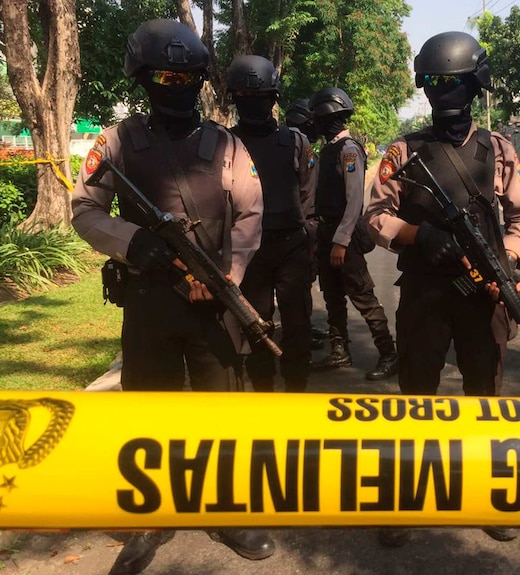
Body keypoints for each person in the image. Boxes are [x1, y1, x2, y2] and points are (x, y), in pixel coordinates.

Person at [71, 20, 275, 575]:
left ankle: (226, 509)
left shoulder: (226, 143)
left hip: (215, 300)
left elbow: (252, 214)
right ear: (144, 77)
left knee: (220, 410)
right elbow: (84, 210)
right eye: (165, 73)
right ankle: (149, 516)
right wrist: (134, 243)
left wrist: (226, 273)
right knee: (149, 409)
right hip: (149, 299)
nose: (177, 83)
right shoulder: (116, 141)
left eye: (187, 74)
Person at [367, 31, 520, 546]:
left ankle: (486, 491)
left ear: (475, 84)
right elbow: (374, 217)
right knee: (417, 394)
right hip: (424, 289)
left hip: (484, 290)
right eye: (438, 84)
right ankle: (406, 500)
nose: (448, 94)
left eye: (456, 83)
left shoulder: (499, 148)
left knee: (484, 394)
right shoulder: (404, 150)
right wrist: (417, 235)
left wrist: (508, 256)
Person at [226, 55, 315, 392]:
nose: (253, 105)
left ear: (273, 98)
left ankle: (296, 388)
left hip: (291, 244)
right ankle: (263, 389)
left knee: (298, 323)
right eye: (245, 98)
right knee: (255, 323)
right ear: (234, 98)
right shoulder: (225, 142)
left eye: (261, 98)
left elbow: (308, 194)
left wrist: (311, 244)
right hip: (249, 250)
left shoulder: (295, 141)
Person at [309, 86, 398, 380]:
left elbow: (354, 202)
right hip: (325, 233)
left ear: (327, 117)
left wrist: (341, 241)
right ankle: (339, 350)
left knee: (363, 297)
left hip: (341, 236)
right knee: (333, 296)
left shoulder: (348, 150)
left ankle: (388, 353)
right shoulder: (329, 148)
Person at [285, 97, 330, 351]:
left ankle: (302, 327)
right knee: (300, 284)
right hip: (303, 225)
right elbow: (306, 191)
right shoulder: (300, 144)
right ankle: (299, 333)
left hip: (298, 224)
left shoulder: (283, 141)